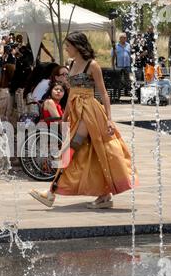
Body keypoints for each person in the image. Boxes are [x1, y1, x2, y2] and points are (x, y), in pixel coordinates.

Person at [29, 32, 138, 209]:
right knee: (92, 153)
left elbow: (103, 93)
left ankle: (51, 193)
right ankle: (104, 195)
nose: (66, 49)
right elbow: (72, 91)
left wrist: (109, 119)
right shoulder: (72, 64)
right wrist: (65, 116)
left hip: (89, 110)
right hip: (76, 110)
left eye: (68, 46)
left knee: (72, 146)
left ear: (78, 46)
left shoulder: (92, 65)